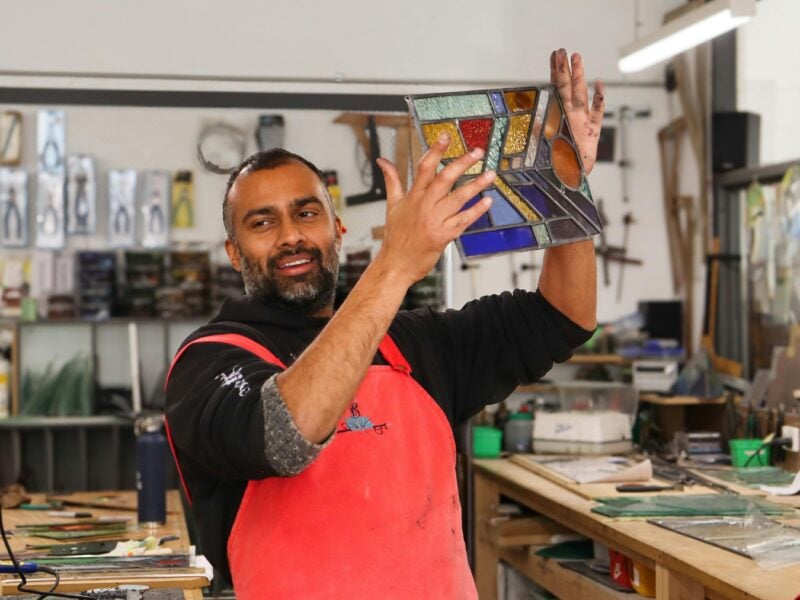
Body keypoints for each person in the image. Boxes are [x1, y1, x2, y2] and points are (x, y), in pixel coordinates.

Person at [165, 48, 605, 599]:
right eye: (262, 222)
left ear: (338, 228)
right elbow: (284, 437)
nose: (291, 236)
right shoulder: (208, 362)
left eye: (306, 213)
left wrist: (564, 187)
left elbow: (563, 316)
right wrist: (394, 264)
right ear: (233, 252)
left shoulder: (418, 344)